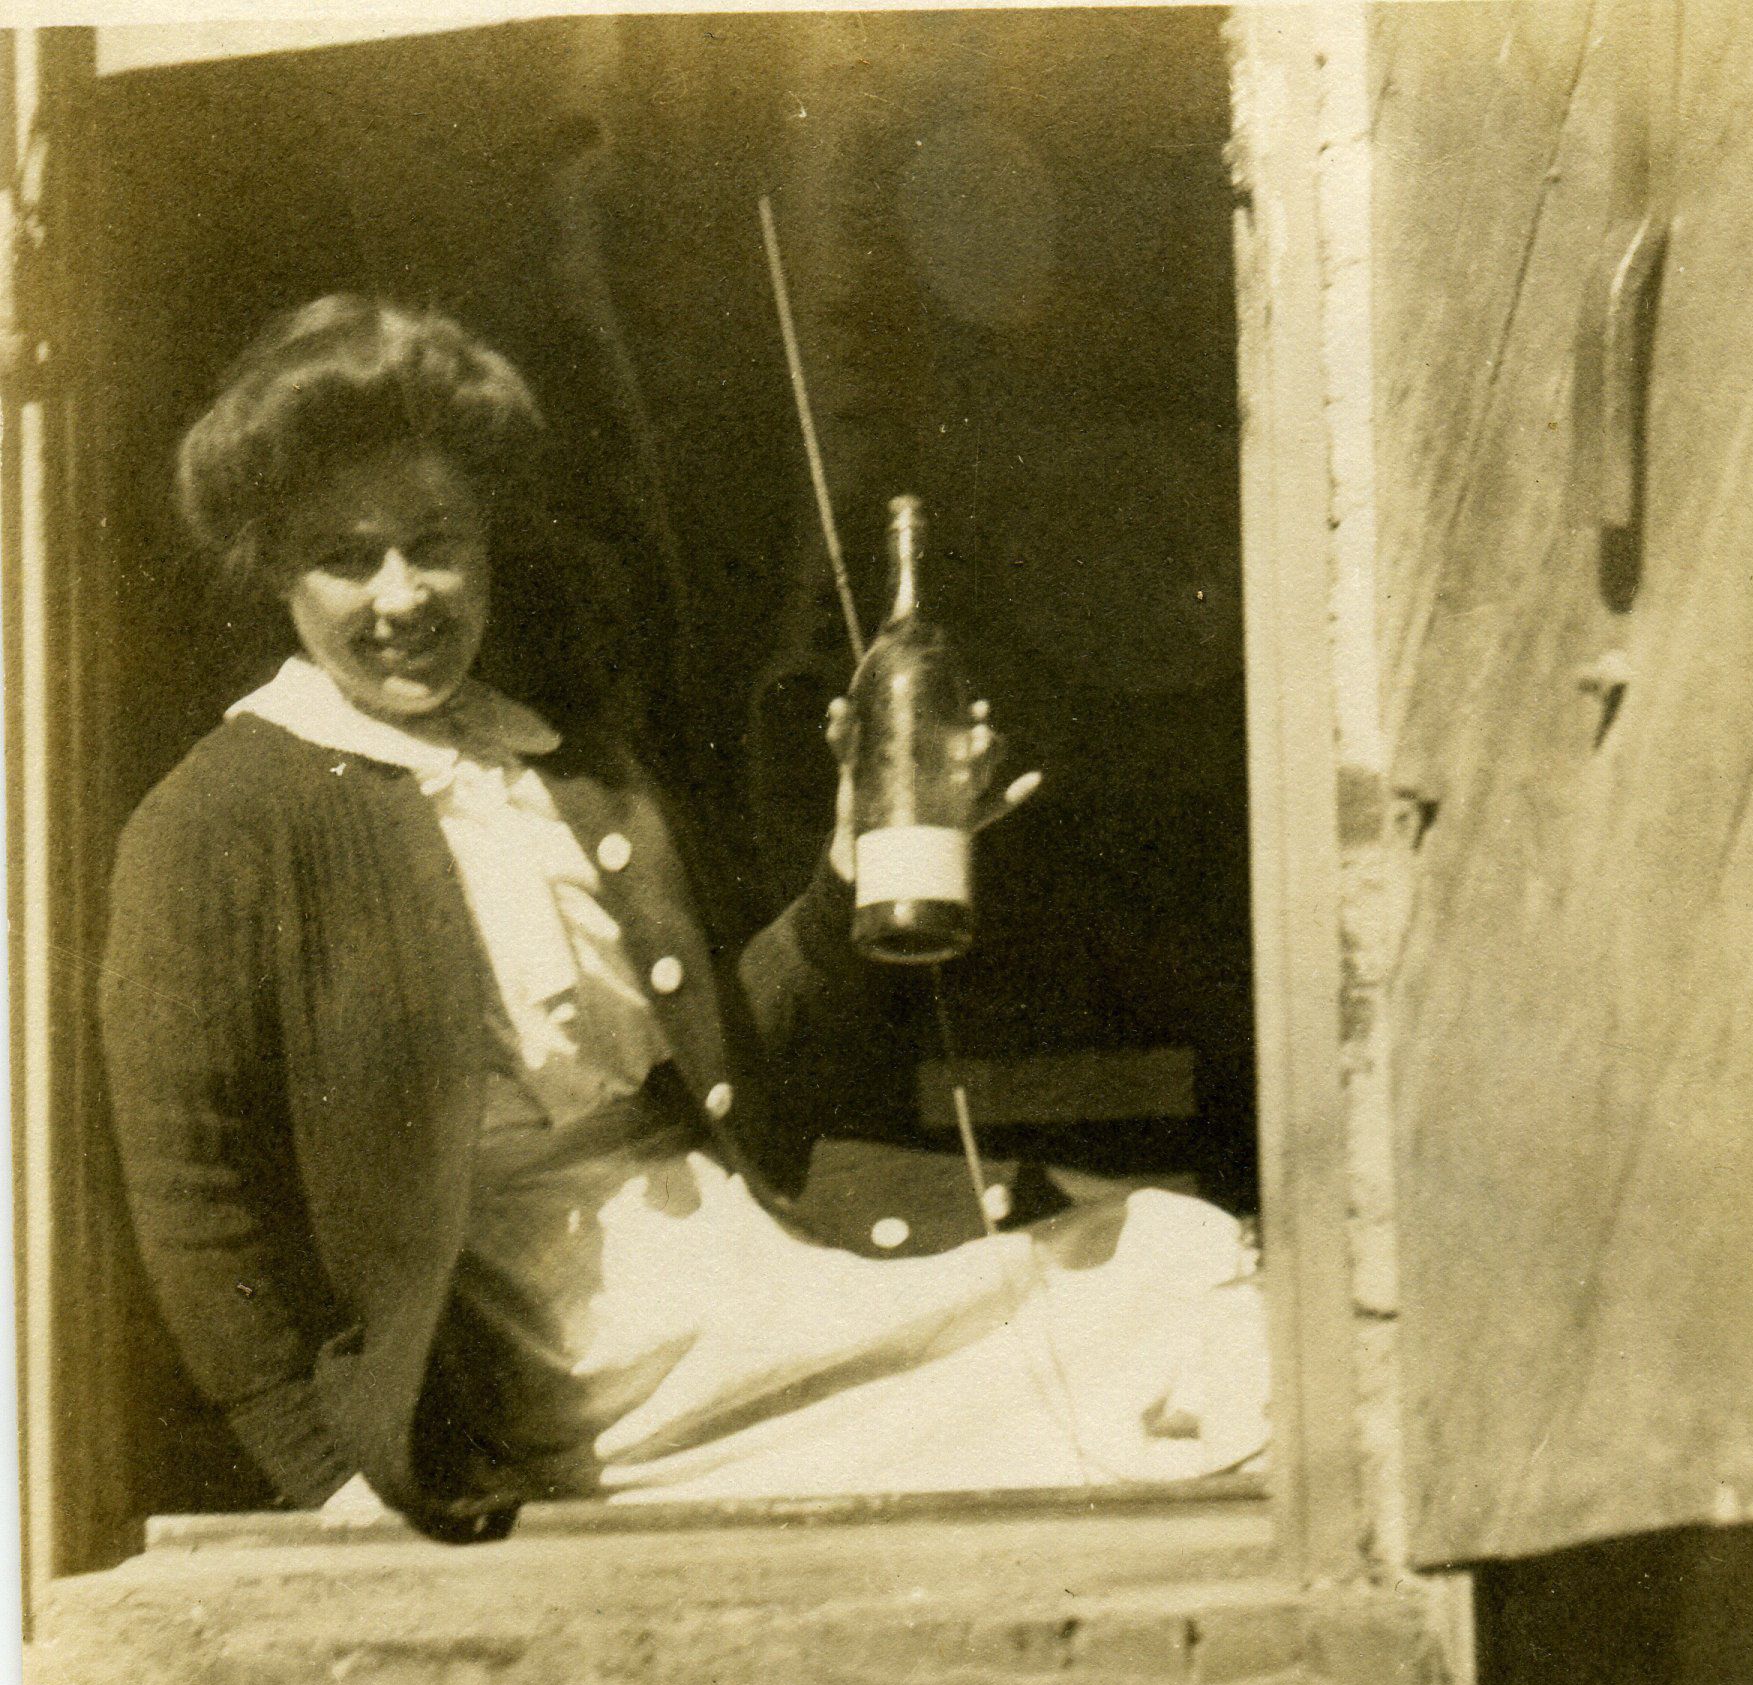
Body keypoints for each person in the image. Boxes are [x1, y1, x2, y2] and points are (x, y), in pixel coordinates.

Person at [99, 297, 1267, 1543]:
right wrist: (335, 1482)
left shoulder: (561, 766)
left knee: (1177, 1259)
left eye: (436, 543)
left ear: (485, 537)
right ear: (275, 568)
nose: (403, 596)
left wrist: (845, 876)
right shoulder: (215, 821)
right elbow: (197, 1198)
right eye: (346, 558)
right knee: (1112, 1361)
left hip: (722, 1244)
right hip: (548, 1346)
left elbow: (722, 1073)